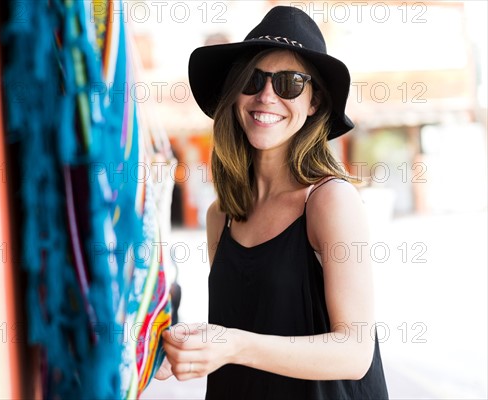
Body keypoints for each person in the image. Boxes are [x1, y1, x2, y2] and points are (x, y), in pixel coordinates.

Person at [155, 6, 389, 399]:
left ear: (314, 101)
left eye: (290, 83)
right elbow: (247, 326)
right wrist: (183, 346)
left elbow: (354, 351)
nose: (266, 96)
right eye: (252, 79)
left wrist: (231, 344)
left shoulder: (331, 201)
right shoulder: (221, 216)